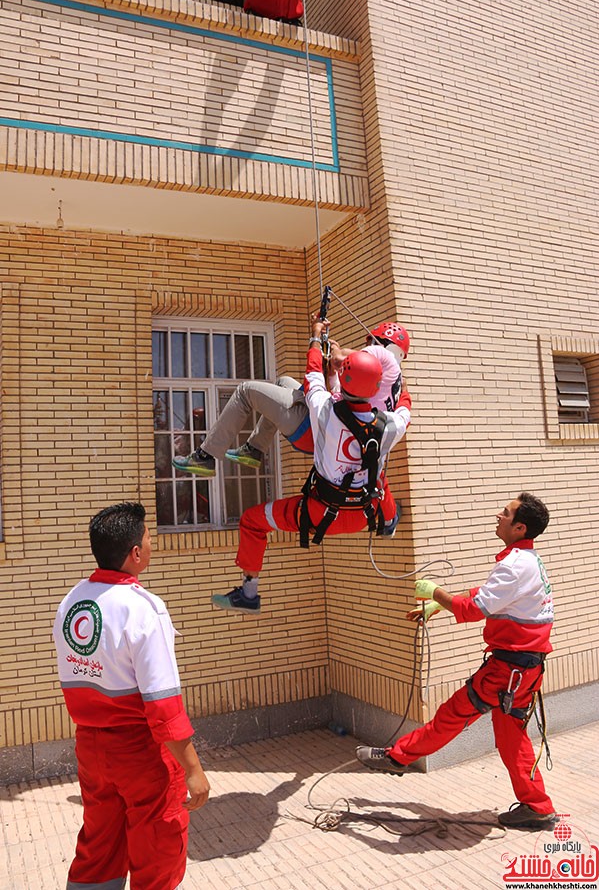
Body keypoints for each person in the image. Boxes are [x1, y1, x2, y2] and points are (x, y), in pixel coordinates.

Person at [356, 493, 557, 830]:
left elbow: (472, 609)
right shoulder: (526, 560)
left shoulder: (513, 565)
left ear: (519, 527)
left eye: (505, 514)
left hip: (507, 671)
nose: (498, 515)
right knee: (512, 738)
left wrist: (434, 592)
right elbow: (489, 594)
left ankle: (396, 758)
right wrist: (439, 606)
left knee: (451, 716)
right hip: (525, 670)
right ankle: (536, 806)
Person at [53, 502, 210, 889]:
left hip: (91, 748)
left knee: (99, 845)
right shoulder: (144, 609)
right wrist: (193, 769)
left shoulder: (72, 601)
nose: (152, 545)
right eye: (148, 539)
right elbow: (163, 706)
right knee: (158, 849)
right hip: (141, 753)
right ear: (135, 554)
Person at [210, 318, 412, 613]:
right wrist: (400, 383)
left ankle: (249, 593)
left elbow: (312, 374)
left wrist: (316, 338)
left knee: (253, 522)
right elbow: (405, 405)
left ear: (345, 378)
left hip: (318, 514)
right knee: (378, 474)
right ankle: (389, 521)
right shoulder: (391, 425)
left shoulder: (325, 410)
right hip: (363, 515)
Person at [172, 318, 410, 476]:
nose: (365, 345)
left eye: (369, 341)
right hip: (331, 433)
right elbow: (335, 388)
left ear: (382, 343)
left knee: (246, 391)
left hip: (314, 428)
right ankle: (254, 449)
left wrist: (319, 340)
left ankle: (206, 455)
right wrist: (331, 370)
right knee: (284, 382)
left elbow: (338, 360)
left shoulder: (381, 358)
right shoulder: (392, 387)